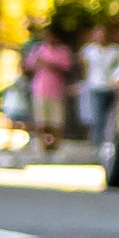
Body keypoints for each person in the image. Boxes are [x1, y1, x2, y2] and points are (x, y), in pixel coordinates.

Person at [25, 26, 75, 154]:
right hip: (39, 89)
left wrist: (49, 64)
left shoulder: (63, 51)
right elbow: (28, 67)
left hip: (56, 91)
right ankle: (43, 145)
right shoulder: (38, 50)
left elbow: (66, 69)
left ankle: (56, 146)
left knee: (56, 121)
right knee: (41, 120)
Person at [78, 23, 119, 143]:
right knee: (97, 116)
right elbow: (83, 67)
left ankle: (108, 142)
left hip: (110, 87)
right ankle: (97, 142)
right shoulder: (89, 51)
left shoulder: (115, 51)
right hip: (95, 86)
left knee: (110, 117)